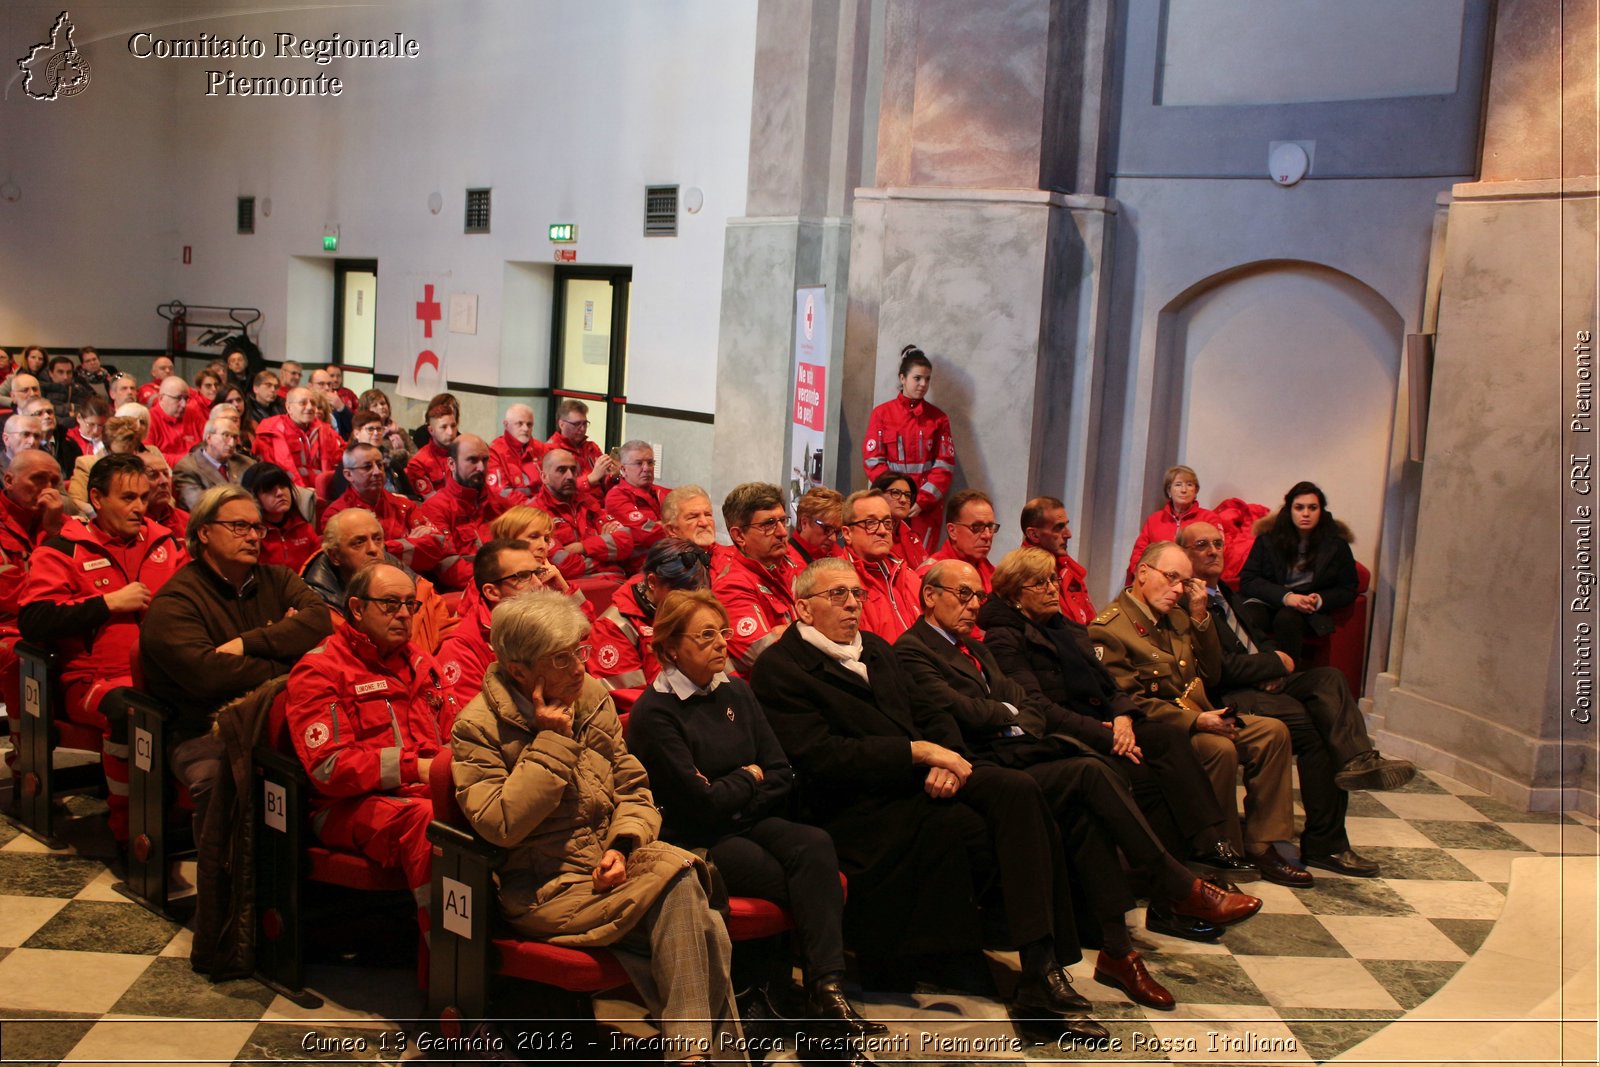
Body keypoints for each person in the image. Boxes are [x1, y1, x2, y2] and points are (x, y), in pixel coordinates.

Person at [748, 558, 1107, 1032]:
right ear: (803, 608)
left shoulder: (875, 649)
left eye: (857, 594)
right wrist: (915, 754)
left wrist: (950, 761)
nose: (853, 604)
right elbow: (821, 757)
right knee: (983, 831)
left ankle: (1041, 967)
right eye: (838, 595)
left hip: (920, 778)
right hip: (856, 805)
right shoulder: (781, 666)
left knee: (1018, 791)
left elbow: (932, 710)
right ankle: (994, 966)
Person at [894, 560, 1263, 1008]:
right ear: (930, 596)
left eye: (979, 596)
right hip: (979, 768)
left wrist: (1008, 715)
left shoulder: (978, 647)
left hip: (1016, 754)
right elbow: (969, 712)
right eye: (963, 595)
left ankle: (1119, 952)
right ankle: (1177, 888)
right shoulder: (912, 649)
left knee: (1092, 795)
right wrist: (1009, 715)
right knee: (1092, 771)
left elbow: (1028, 704)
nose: (974, 606)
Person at [451, 590, 746, 1060]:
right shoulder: (477, 728)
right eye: (562, 658)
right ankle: (698, 1055)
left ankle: (690, 1055)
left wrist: (623, 844)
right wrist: (550, 741)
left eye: (581, 652)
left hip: (613, 871)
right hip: (546, 887)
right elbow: (501, 825)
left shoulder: (589, 698)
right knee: (695, 907)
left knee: (686, 889)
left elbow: (634, 789)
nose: (579, 669)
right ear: (519, 670)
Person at [628, 589, 885, 1036]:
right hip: (697, 838)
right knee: (789, 876)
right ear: (671, 646)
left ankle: (826, 990)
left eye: (723, 632)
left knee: (815, 844)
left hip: (750, 819)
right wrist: (751, 777)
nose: (721, 644)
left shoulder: (736, 691)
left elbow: (781, 770)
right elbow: (699, 804)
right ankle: (768, 993)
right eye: (705, 636)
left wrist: (740, 785)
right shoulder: (656, 712)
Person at [977, 547, 1257, 876]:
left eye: (1053, 580)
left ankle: (1206, 844)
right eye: (1040, 584)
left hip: (1104, 721)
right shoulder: (1004, 637)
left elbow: (1109, 684)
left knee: (1166, 737)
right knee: (1145, 772)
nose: (1053, 589)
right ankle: (1170, 877)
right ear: (1014, 594)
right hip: (1062, 734)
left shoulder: (1063, 627)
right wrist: (1107, 735)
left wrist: (1124, 717)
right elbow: (1038, 708)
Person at [1181, 523, 1413, 870]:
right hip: (1230, 695)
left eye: (1218, 543)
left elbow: (1260, 638)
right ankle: (1324, 843)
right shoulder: (1187, 603)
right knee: (1316, 729)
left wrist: (1275, 665)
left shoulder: (1227, 594)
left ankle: (1360, 759)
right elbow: (1215, 669)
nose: (1214, 551)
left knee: (1330, 678)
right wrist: (1272, 665)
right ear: (1184, 554)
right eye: (1202, 545)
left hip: (1264, 680)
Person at [1091, 542, 1311, 887]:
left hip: (1201, 712)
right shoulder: (1111, 628)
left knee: (1273, 732)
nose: (1178, 589)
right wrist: (1196, 721)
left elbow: (1211, 673)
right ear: (1143, 573)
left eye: (1184, 582)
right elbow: (1129, 700)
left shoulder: (1177, 617)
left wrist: (1200, 617)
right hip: (1167, 728)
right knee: (1218, 748)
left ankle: (1262, 843)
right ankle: (1217, 850)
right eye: (1171, 578)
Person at [140, 485, 332, 834]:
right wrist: (290, 657)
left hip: (287, 719)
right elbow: (209, 675)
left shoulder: (278, 578)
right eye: (239, 527)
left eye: (257, 527)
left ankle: (301, 885)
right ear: (204, 532)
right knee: (222, 780)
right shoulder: (175, 602)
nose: (253, 537)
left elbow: (319, 621)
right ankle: (224, 885)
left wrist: (247, 643)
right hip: (205, 731)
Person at [19, 453, 188, 842]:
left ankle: (192, 817)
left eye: (144, 497)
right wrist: (107, 604)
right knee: (132, 711)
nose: (140, 508)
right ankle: (133, 831)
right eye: (128, 498)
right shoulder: (63, 549)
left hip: (165, 672)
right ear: (96, 498)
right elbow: (34, 620)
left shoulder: (165, 543)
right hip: (93, 681)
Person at [287, 562, 458, 942]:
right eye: (389, 603)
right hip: (345, 804)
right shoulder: (321, 669)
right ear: (357, 608)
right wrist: (418, 769)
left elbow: (454, 736)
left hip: (419, 790)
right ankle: (450, 963)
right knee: (430, 821)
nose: (403, 614)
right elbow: (328, 768)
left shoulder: (421, 662)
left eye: (410, 605)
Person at [300, 508, 457, 654]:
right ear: (335, 556)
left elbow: (450, 640)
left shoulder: (420, 589)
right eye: (359, 542)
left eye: (377, 539)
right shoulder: (315, 613)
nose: (373, 549)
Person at [1237, 481, 1362, 662]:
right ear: (1289, 510)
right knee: (1249, 615)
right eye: (1299, 507)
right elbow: (1248, 580)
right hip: (1269, 600)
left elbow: (1349, 588)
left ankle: (1284, 678)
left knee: (1287, 619)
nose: (1305, 513)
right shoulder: (1268, 539)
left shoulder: (1336, 544)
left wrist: (1318, 600)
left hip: (1307, 608)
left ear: (1321, 511)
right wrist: (1287, 597)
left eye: (1312, 508)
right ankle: (1249, 673)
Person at [436, 538, 551, 705]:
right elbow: (470, 725)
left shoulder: (545, 624)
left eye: (538, 573)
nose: (539, 584)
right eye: (523, 576)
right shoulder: (461, 649)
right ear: (492, 592)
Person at [861, 344, 956, 547]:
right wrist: (894, 496)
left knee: (920, 564)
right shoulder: (882, 414)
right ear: (902, 378)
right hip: (887, 507)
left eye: (927, 379)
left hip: (925, 510)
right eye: (917, 378)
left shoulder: (938, 419)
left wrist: (923, 499)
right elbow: (873, 461)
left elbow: (944, 466)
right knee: (885, 555)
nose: (923, 384)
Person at [591, 537, 711, 694]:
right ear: (652, 582)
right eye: (681, 594)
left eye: (697, 592)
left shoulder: (694, 608)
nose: (690, 603)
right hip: (664, 714)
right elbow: (631, 699)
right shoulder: (613, 627)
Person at [0, 451, 68, 718]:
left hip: (55, 621)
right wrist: (52, 540)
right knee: (23, 656)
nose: (48, 490)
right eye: (38, 479)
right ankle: (28, 750)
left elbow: (86, 582)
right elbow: (16, 595)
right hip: (8, 627)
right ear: (8, 480)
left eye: (54, 482)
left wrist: (54, 532)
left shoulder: (59, 522)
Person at [710, 482, 798, 674]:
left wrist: (785, 631)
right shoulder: (731, 586)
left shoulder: (789, 567)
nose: (782, 532)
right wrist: (808, 628)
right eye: (768, 524)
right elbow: (764, 657)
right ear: (739, 535)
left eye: (783, 521)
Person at [402, 434, 497, 591]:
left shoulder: (496, 502)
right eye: (472, 460)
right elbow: (449, 568)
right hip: (465, 592)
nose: (481, 467)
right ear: (452, 464)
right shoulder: (435, 508)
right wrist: (497, 579)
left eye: (485, 460)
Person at [531, 448, 634, 580]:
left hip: (615, 580)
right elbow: (563, 565)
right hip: (573, 588)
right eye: (561, 470)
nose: (569, 476)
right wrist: (604, 552)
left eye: (573, 470)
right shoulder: (535, 513)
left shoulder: (587, 501)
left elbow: (626, 541)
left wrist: (582, 547)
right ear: (544, 477)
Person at [840, 489, 921, 642]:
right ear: (847, 533)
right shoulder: (837, 583)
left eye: (887, 522)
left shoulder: (909, 577)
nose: (883, 531)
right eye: (871, 523)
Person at [1124, 464, 1224, 585]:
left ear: (1196, 491)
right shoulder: (1155, 519)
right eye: (1178, 485)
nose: (1184, 490)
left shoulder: (1208, 518)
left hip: (1194, 581)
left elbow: (1219, 551)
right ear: (1168, 490)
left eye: (1189, 485)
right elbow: (1139, 552)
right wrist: (1141, 574)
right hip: (1158, 579)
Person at [321, 441, 416, 545]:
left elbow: (433, 542)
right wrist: (408, 544)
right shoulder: (336, 516)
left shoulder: (405, 506)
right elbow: (355, 557)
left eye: (380, 465)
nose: (377, 472)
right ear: (348, 475)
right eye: (367, 467)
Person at [1020, 496, 1095, 625]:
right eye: (1058, 527)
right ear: (1034, 534)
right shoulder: (1022, 577)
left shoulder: (1069, 570)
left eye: (1066, 525)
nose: (1068, 534)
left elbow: (1090, 620)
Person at [253, 387, 343, 488]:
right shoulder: (270, 433)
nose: (310, 407)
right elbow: (270, 474)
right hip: (289, 492)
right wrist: (301, 493)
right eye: (303, 403)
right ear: (288, 408)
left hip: (324, 491)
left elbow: (340, 461)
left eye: (313, 403)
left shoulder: (326, 431)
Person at [242, 462, 318, 573]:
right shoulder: (251, 536)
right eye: (269, 489)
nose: (280, 493)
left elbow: (320, 565)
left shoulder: (303, 526)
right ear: (254, 497)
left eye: (283, 486)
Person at [173, 412, 252, 511]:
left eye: (235, 437)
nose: (232, 444)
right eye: (226, 435)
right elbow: (200, 507)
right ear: (208, 437)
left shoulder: (246, 463)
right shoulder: (187, 467)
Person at [926, 489, 1000, 594]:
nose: (987, 535)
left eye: (990, 527)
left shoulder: (997, 577)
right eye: (977, 527)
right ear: (952, 531)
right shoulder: (930, 577)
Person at [604, 440, 668, 557]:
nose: (646, 468)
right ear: (623, 470)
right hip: (642, 564)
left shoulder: (662, 492)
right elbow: (646, 534)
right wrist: (678, 525)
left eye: (650, 463)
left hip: (669, 555)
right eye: (639, 463)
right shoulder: (616, 497)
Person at [546, 398, 618, 493]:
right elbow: (557, 489)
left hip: (600, 503)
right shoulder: (551, 451)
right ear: (561, 424)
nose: (582, 428)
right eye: (576, 424)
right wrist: (590, 479)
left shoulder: (591, 447)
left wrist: (613, 476)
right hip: (576, 504)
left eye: (584, 423)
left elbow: (605, 485)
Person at [487, 403, 543, 506]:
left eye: (529, 424)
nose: (525, 429)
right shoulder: (494, 452)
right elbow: (501, 493)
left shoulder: (541, 449)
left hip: (539, 510)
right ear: (506, 424)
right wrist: (532, 506)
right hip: (508, 515)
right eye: (520, 424)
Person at [870, 472, 929, 569]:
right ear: (878, 495)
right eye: (895, 493)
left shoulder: (912, 537)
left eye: (907, 495)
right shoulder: (869, 535)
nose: (903, 500)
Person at [147, 377, 202, 464]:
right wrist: (190, 461)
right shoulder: (148, 420)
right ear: (161, 398)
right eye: (178, 398)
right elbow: (149, 457)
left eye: (186, 398)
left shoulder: (193, 414)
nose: (184, 404)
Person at [788, 486, 844, 566]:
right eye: (827, 529)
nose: (833, 539)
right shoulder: (786, 563)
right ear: (804, 523)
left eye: (837, 532)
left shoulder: (839, 554)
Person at [140, 452, 189, 540]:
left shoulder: (187, 520)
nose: (164, 481)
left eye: (166, 474)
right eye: (153, 475)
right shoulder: (131, 525)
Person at [662, 484, 722, 557]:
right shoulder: (662, 566)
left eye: (708, 515)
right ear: (672, 530)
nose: (705, 523)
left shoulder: (731, 561)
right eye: (693, 517)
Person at [309, 366, 352, 438]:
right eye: (321, 384)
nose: (327, 388)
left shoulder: (337, 405)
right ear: (310, 386)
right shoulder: (307, 406)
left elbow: (353, 428)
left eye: (329, 384)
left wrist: (341, 407)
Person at [66, 394, 109, 461]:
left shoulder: (110, 438)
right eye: (91, 424)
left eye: (101, 425)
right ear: (79, 418)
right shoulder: (68, 439)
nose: (96, 431)